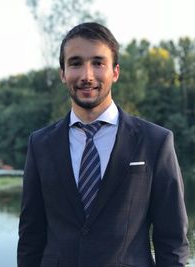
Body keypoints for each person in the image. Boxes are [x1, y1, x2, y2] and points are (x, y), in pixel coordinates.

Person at [17, 22, 189, 267]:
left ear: (115, 72)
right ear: (63, 73)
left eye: (98, 63)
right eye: (76, 63)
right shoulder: (40, 144)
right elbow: (30, 237)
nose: (87, 76)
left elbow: (172, 242)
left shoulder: (155, 142)